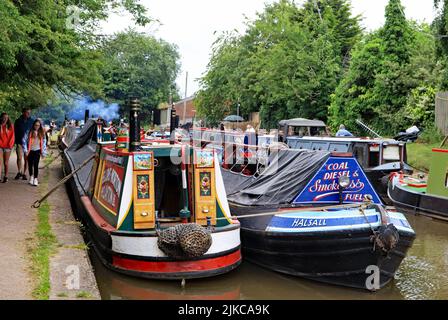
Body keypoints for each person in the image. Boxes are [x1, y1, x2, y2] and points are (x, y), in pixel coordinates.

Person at [23, 119, 47, 186]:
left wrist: (43, 152)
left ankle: (35, 179)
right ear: (33, 125)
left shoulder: (42, 132)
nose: (37, 126)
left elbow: (44, 142)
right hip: (30, 150)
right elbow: (24, 140)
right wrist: (25, 150)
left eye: (38, 125)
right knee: (30, 164)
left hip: (37, 150)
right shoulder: (29, 132)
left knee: (36, 165)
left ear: (40, 126)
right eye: (36, 125)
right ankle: (31, 177)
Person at [14, 108, 34, 180]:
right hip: (19, 142)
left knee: (26, 159)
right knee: (19, 158)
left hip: (28, 144)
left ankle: (24, 173)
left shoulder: (32, 121)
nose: (28, 114)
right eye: (27, 112)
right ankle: (19, 172)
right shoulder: (18, 121)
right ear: (23, 112)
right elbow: (14, 132)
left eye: (29, 112)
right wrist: (14, 141)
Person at [0, 113, 15, 182]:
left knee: (6, 162)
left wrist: (10, 145)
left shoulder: (10, 126)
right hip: (0, 146)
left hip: (7, 146)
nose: (5, 119)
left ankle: (5, 176)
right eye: (3, 117)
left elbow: (12, 136)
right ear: (1, 118)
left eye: (6, 117)